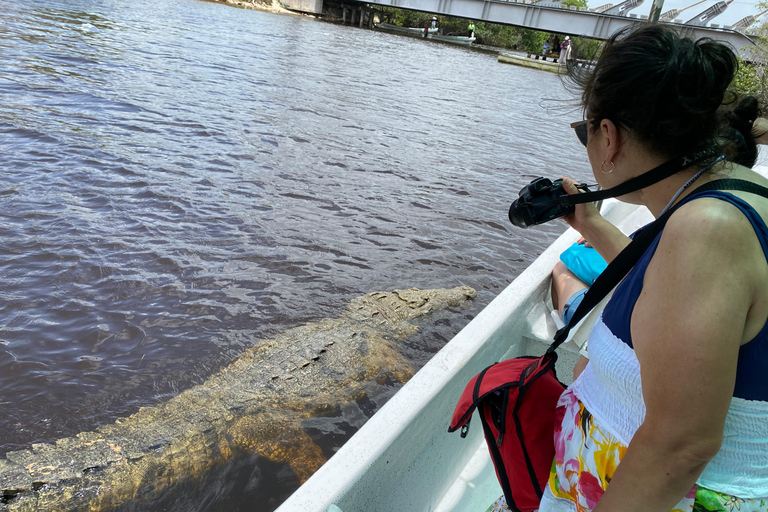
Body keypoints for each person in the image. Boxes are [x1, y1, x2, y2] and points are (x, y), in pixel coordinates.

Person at [487, 24, 768, 512]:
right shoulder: (732, 194)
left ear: (609, 136)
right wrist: (591, 223)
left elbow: (681, 447)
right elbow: (671, 290)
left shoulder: (705, 229)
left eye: (585, 133)